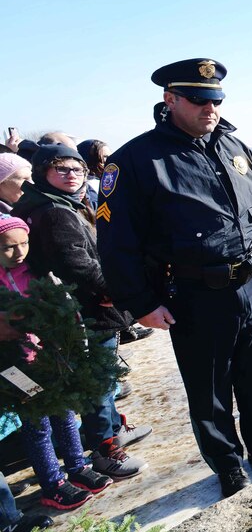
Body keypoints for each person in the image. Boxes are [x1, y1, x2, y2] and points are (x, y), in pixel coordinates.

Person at [96, 58, 252, 498]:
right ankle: (226, 464)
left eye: (216, 100)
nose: (211, 109)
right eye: (200, 100)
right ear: (171, 100)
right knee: (210, 387)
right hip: (197, 291)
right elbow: (117, 243)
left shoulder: (234, 147)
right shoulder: (136, 161)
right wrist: (141, 304)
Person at [13, 145, 151, 480]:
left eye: (76, 168)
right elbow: (76, 262)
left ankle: (111, 430)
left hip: (74, 306)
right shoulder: (55, 211)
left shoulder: (49, 203)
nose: (72, 175)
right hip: (85, 309)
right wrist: (112, 290)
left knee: (101, 378)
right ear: (43, 172)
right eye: (62, 169)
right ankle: (105, 449)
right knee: (98, 381)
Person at [0, 215, 114, 510]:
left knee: (64, 412)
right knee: (37, 423)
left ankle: (77, 467)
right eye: (9, 248)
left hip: (51, 358)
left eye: (24, 243)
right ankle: (53, 483)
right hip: (17, 367)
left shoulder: (37, 271)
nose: (19, 252)